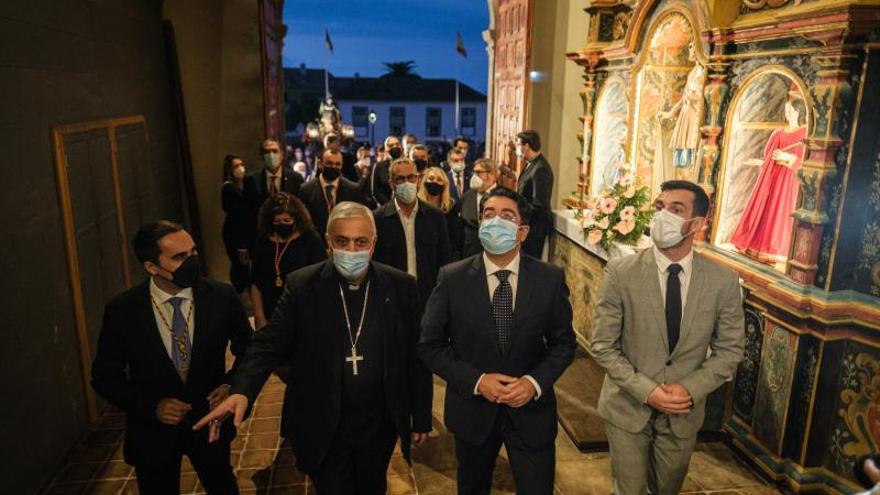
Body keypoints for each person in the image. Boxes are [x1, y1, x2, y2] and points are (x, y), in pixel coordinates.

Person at [194, 202, 433, 494]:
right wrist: (242, 388)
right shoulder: (303, 285)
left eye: (361, 241)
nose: (352, 250)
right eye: (342, 241)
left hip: (378, 421)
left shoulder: (400, 286)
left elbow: (415, 357)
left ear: (374, 244)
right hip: (324, 420)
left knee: (372, 486)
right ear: (328, 243)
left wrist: (420, 415)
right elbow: (268, 343)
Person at [591, 180, 745, 495]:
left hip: (682, 410)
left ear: (697, 224)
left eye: (676, 210)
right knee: (629, 489)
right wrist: (647, 391)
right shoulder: (622, 272)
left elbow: (730, 350)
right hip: (628, 405)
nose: (663, 216)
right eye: (660, 208)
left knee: (667, 487)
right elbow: (603, 346)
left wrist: (688, 389)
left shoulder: (723, 281)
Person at [419, 187, 576, 495]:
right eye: (489, 215)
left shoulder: (549, 278)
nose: (495, 221)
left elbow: (564, 343)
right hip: (474, 413)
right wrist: (478, 381)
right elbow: (429, 345)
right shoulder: (452, 277)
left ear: (522, 231)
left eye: (507, 216)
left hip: (531, 413)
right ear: (479, 225)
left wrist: (533, 382)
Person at [91, 221, 252, 494]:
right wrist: (152, 406)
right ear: (151, 267)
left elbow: (249, 350)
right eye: (179, 257)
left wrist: (231, 385)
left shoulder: (221, 297)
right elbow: (105, 376)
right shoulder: (123, 311)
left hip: (210, 425)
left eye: (193, 253)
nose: (192, 262)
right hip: (153, 435)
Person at [730, 95, 807, 264]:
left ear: (798, 112)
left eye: (790, 111)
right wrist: (762, 162)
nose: (787, 114)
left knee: (781, 212)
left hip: (789, 181)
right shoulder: (778, 133)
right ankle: (758, 246)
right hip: (773, 178)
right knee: (768, 209)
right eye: (786, 110)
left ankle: (776, 249)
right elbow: (769, 157)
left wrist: (789, 158)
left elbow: (808, 163)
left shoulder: (806, 134)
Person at [373, 158, 451, 307]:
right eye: (400, 179)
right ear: (392, 184)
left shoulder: (435, 217)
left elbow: (444, 259)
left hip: (428, 296)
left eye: (411, 177)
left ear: (418, 180)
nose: (406, 183)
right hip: (391, 298)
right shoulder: (378, 219)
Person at [250, 192, 325, 329]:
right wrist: (259, 317)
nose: (282, 224)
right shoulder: (263, 240)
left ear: (296, 220)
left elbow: (320, 281)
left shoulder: (310, 239)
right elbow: (256, 283)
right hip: (271, 312)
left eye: (287, 221)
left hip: (302, 312)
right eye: (277, 221)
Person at [243, 138, 304, 251]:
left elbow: (300, 212)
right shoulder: (250, 180)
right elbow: (246, 214)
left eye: (274, 151)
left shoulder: (295, 178)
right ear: (261, 156)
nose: (271, 155)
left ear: (282, 155)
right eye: (267, 152)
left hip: (289, 238)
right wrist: (245, 245)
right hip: (261, 239)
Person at [299, 148, 368, 238]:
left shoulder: (353, 190)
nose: (333, 167)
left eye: (337, 164)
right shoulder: (305, 190)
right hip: (315, 244)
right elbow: (303, 223)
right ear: (320, 164)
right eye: (329, 163)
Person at [515, 130, 554, 259]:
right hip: (527, 225)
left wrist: (518, 213)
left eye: (519, 145)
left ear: (526, 146)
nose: (517, 149)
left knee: (529, 265)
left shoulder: (540, 169)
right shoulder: (531, 164)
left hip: (534, 228)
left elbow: (539, 204)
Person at [455, 158, 499, 259]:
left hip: (494, 254)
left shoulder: (504, 197)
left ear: (492, 174)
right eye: (474, 172)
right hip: (469, 254)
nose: (474, 176)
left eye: (479, 172)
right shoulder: (466, 197)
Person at [221, 154, 251, 294]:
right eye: (236, 166)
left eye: (241, 164)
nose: (241, 168)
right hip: (236, 233)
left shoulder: (243, 185)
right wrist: (242, 245)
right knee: (239, 265)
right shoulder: (229, 189)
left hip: (244, 232)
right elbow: (236, 216)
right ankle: (240, 295)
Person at [420, 166, 461, 260]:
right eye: (431, 179)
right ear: (424, 182)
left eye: (439, 180)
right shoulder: (417, 204)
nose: (434, 182)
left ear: (444, 184)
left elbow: (454, 237)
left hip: (444, 256)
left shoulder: (451, 206)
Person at [370, 136, 404, 206]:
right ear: (386, 149)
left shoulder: (408, 165)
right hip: (385, 207)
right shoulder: (379, 166)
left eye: (397, 144)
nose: (395, 147)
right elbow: (375, 191)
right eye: (391, 145)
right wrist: (389, 205)